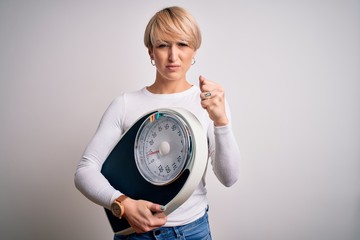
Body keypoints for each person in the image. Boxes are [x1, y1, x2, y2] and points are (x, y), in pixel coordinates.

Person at [75, 6, 241, 240]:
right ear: (151, 51)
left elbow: (229, 178)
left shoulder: (210, 103)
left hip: (193, 231)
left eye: (182, 44)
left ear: (194, 50)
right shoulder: (125, 104)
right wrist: (123, 204)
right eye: (163, 45)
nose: (174, 56)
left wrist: (221, 122)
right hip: (134, 233)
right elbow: (85, 171)